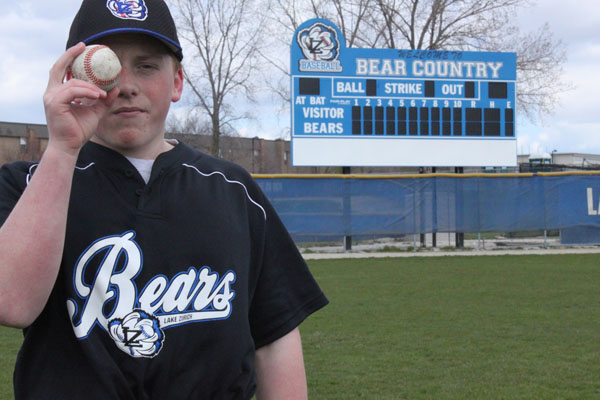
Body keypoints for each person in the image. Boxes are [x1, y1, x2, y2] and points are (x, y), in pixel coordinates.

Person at [0, 0, 328, 398]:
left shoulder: (233, 190)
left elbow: (275, 337)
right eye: (106, 66)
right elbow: (12, 304)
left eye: (147, 65)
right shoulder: (29, 184)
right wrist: (64, 150)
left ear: (176, 82)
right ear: (72, 77)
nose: (125, 85)